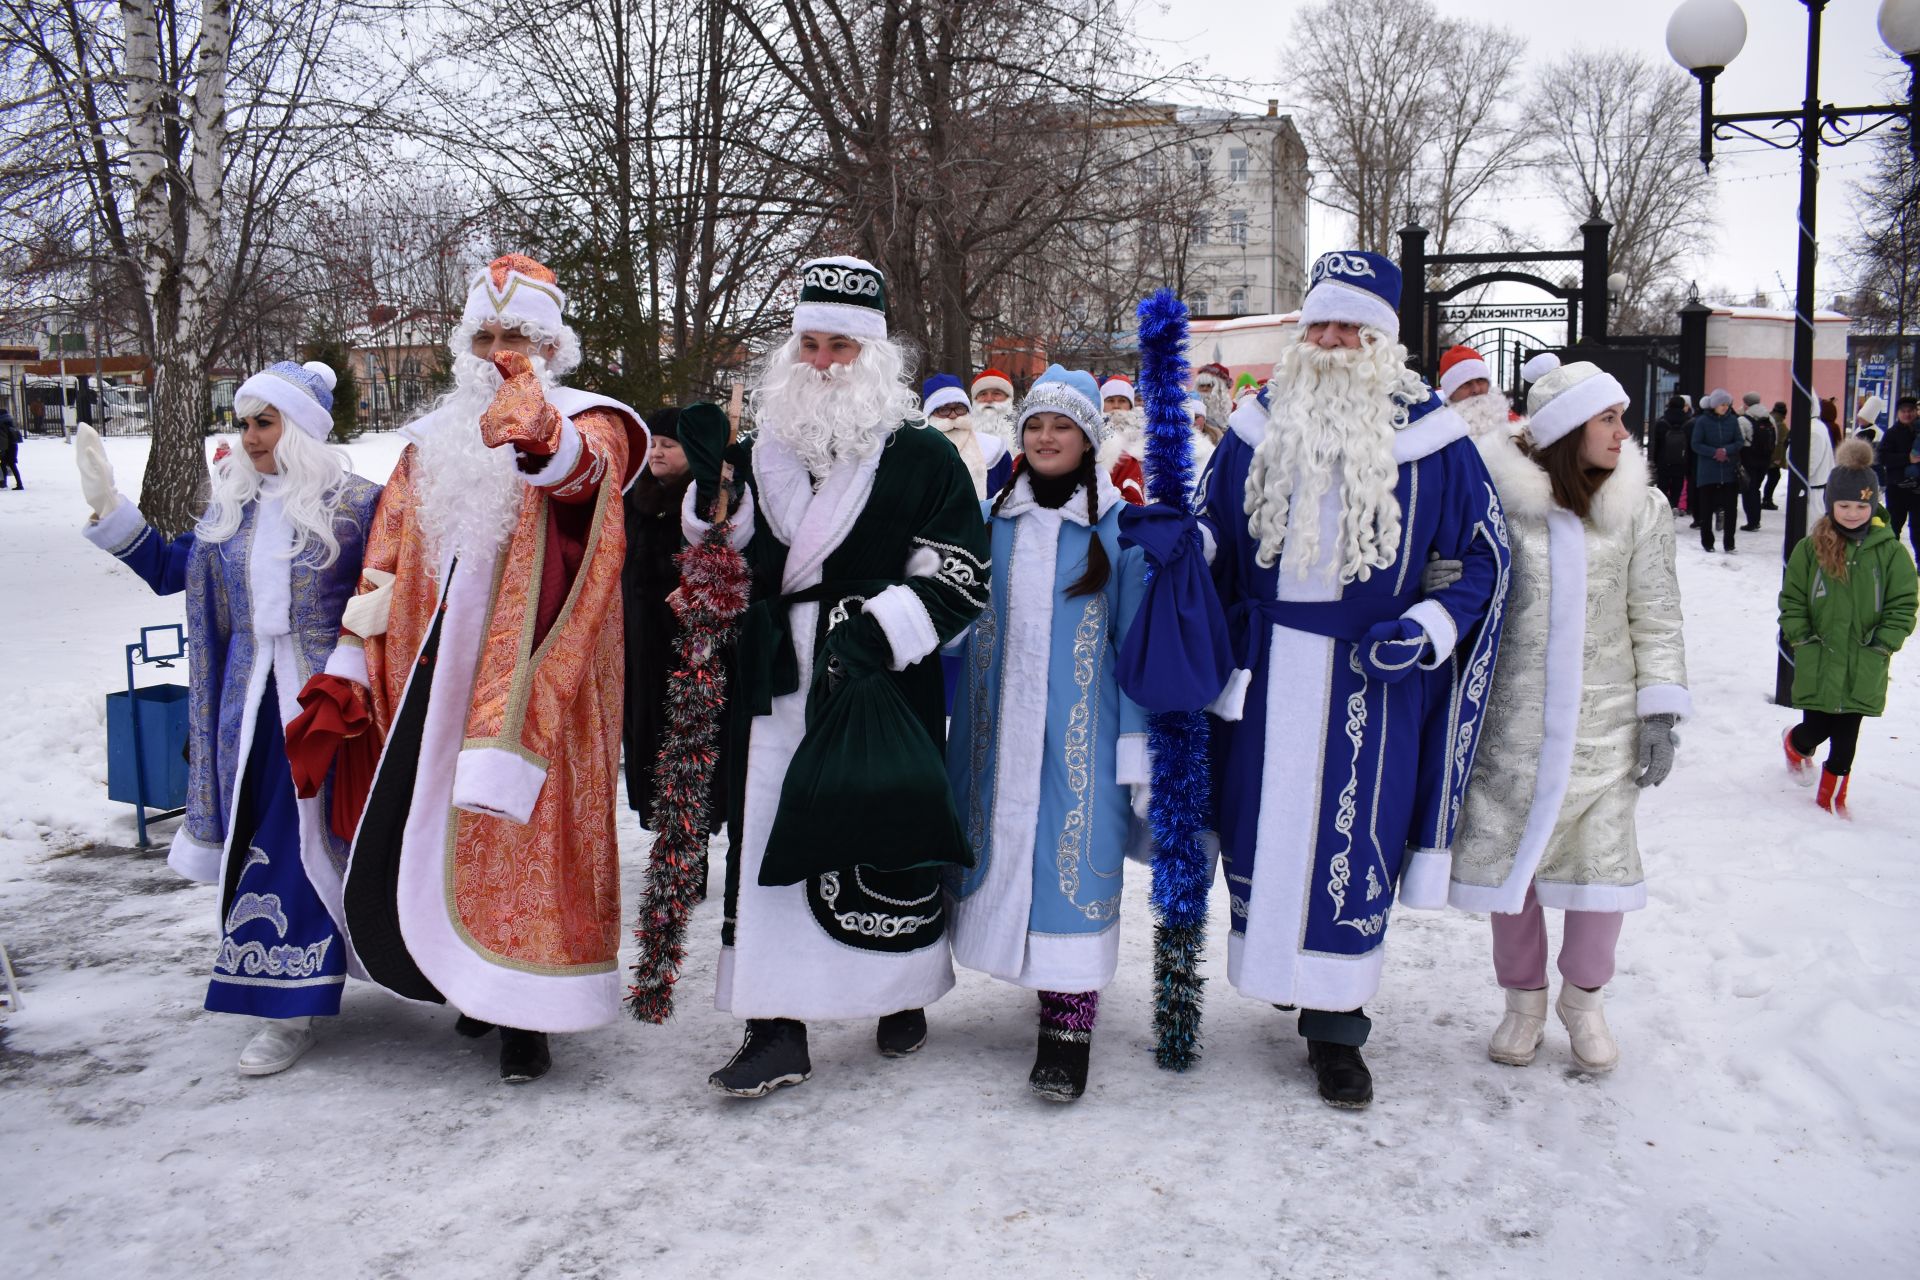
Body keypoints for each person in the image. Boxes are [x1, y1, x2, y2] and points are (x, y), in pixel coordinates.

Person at [292, 254, 649, 1085]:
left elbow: (582, 477)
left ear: (554, 346)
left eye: (516, 336)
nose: (498, 351)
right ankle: (466, 984)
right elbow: (382, 554)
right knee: (443, 830)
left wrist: (538, 429)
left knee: (524, 834)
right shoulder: (430, 441)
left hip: (532, 684)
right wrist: (353, 654)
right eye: (484, 336)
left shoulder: (591, 420)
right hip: (431, 671)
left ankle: (529, 1014)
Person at [1203, 249, 1510, 1108]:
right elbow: (1212, 534)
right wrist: (1180, 549)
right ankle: (1279, 972)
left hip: (1371, 685)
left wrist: (1428, 628)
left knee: (1352, 846)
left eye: (1351, 326)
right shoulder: (1255, 425)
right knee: (1262, 836)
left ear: (1383, 338)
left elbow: (1485, 557)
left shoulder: (1434, 439)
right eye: (1320, 324)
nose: (1333, 340)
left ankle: (1339, 1030)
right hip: (1264, 677)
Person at [682, 255, 991, 1098]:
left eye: (840, 347)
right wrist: (714, 510)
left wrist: (883, 629)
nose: (821, 361)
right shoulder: (757, 449)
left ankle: (900, 992)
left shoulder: (924, 455)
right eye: (810, 343)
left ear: (874, 355)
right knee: (770, 830)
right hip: (777, 677)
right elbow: (724, 553)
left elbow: (963, 570)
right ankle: (775, 1026)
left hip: (881, 673)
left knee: (881, 823)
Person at [75, 362, 380, 1075]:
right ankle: (287, 1003)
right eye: (243, 423)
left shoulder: (359, 506)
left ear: (299, 428)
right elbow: (170, 571)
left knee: (326, 842)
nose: (248, 437)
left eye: (263, 422)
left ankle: (332, 983)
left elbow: (396, 582)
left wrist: (354, 656)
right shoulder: (231, 514)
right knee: (267, 843)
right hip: (250, 713)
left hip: (331, 709)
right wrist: (109, 511)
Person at [1408, 355, 1689, 1074]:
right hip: (1515, 732)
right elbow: (1463, 578)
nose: (1624, 432)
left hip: (1604, 735)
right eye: (1609, 418)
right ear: (1568, 430)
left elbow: (1656, 616)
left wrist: (1659, 711)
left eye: (1621, 417)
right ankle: (1524, 1003)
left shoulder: (1639, 509)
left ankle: (1584, 1001)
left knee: (1603, 879)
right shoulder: (1503, 504)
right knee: (1515, 876)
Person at [946, 365, 1151, 1102]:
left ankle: (1068, 1021)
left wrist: (1137, 744)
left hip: (1083, 735)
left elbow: (1138, 644)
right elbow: (952, 612)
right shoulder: (988, 520)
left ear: (1088, 438)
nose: (1044, 437)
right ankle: (997, 964)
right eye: (1034, 425)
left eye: (1061, 426)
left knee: (1076, 858)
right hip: (993, 730)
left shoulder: (1119, 528)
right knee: (995, 847)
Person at [1779, 439, 1918, 816]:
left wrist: (1884, 642)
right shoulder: (1811, 550)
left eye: (1861, 505)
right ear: (1831, 506)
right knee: (1817, 728)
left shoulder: (1889, 552)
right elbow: (1791, 599)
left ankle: (1832, 800)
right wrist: (1801, 636)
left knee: (1846, 735)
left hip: (1864, 656)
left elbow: (1904, 601)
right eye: (1844, 505)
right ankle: (1796, 744)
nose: (1853, 513)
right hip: (1819, 654)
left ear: (1873, 505)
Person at [621, 407, 733, 870]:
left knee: (688, 741)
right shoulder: (635, 497)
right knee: (648, 741)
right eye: (652, 443)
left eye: (669, 444)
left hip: (690, 643)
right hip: (642, 640)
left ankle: (693, 849)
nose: (657, 452)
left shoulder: (708, 500)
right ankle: (665, 841)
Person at [921, 373, 1013, 501]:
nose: (953, 416)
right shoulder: (917, 452)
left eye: (959, 408)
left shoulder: (995, 450)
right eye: (944, 410)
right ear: (930, 413)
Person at [1689, 389, 1742, 552]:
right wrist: (1714, 452)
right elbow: (1695, 444)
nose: (1725, 407)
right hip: (1708, 473)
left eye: (1727, 404)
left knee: (1730, 510)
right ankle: (1707, 542)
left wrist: (1726, 450)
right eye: (1722, 404)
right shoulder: (1702, 421)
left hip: (1728, 472)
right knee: (1706, 509)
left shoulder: (1733, 421)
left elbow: (1739, 441)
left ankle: (1729, 543)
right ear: (1714, 405)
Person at [1875, 396, 1919, 561]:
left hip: (1917, 490)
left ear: (1915, 412)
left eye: (1910, 411)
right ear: (1898, 413)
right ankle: (1889, 560)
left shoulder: (1918, 432)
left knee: (1918, 529)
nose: (1907, 414)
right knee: (1893, 528)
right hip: (1897, 488)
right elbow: (1883, 458)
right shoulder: (1892, 433)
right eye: (1903, 411)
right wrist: (1907, 458)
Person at [1097, 376, 1147, 504]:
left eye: (1122, 400)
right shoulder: (1094, 433)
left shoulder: (1144, 433)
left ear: (1130, 404)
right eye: (1110, 400)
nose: (1116, 405)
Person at [1739, 392, 1776, 531]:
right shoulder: (1769, 418)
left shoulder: (1743, 420)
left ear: (1746, 404)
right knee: (1756, 488)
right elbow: (1775, 439)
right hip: (1765, 458)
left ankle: (1752, 521)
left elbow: (1740, 440)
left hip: (1749, 457)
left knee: (1749, 489)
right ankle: (1756, 520)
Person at [1650, 394, 1692, 508]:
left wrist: (1654, 461)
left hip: (1663, 461)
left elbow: (1656, 444)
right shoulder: (1689, 423)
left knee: (1662, 487)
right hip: (1681, 462)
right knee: (1677, 487)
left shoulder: (1661, 422)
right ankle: (1673, 507)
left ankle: (1662, 509)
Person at [971, 368, 1018, 439]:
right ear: (975, 399)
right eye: (983, 394)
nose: (989, 399)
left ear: (1008, 398)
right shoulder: (962, 431)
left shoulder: (1023, 430)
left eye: (996, 393)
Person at [1194, 361, 1234, 431]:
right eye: (1202, 385)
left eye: (1210, 385)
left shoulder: (1233, 410)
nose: (1205, 389)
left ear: (1220, 389)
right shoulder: (1191, 409)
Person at [1763, 400, 1788, 509]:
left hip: (1765, 454)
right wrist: (1777, 458)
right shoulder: (1780, 424)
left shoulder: (1769, 418)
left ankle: (1766, 499)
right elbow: (1780, 443)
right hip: (1772, 457)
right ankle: (1767, 500)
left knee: (1771, 477)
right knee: (1774, 477)